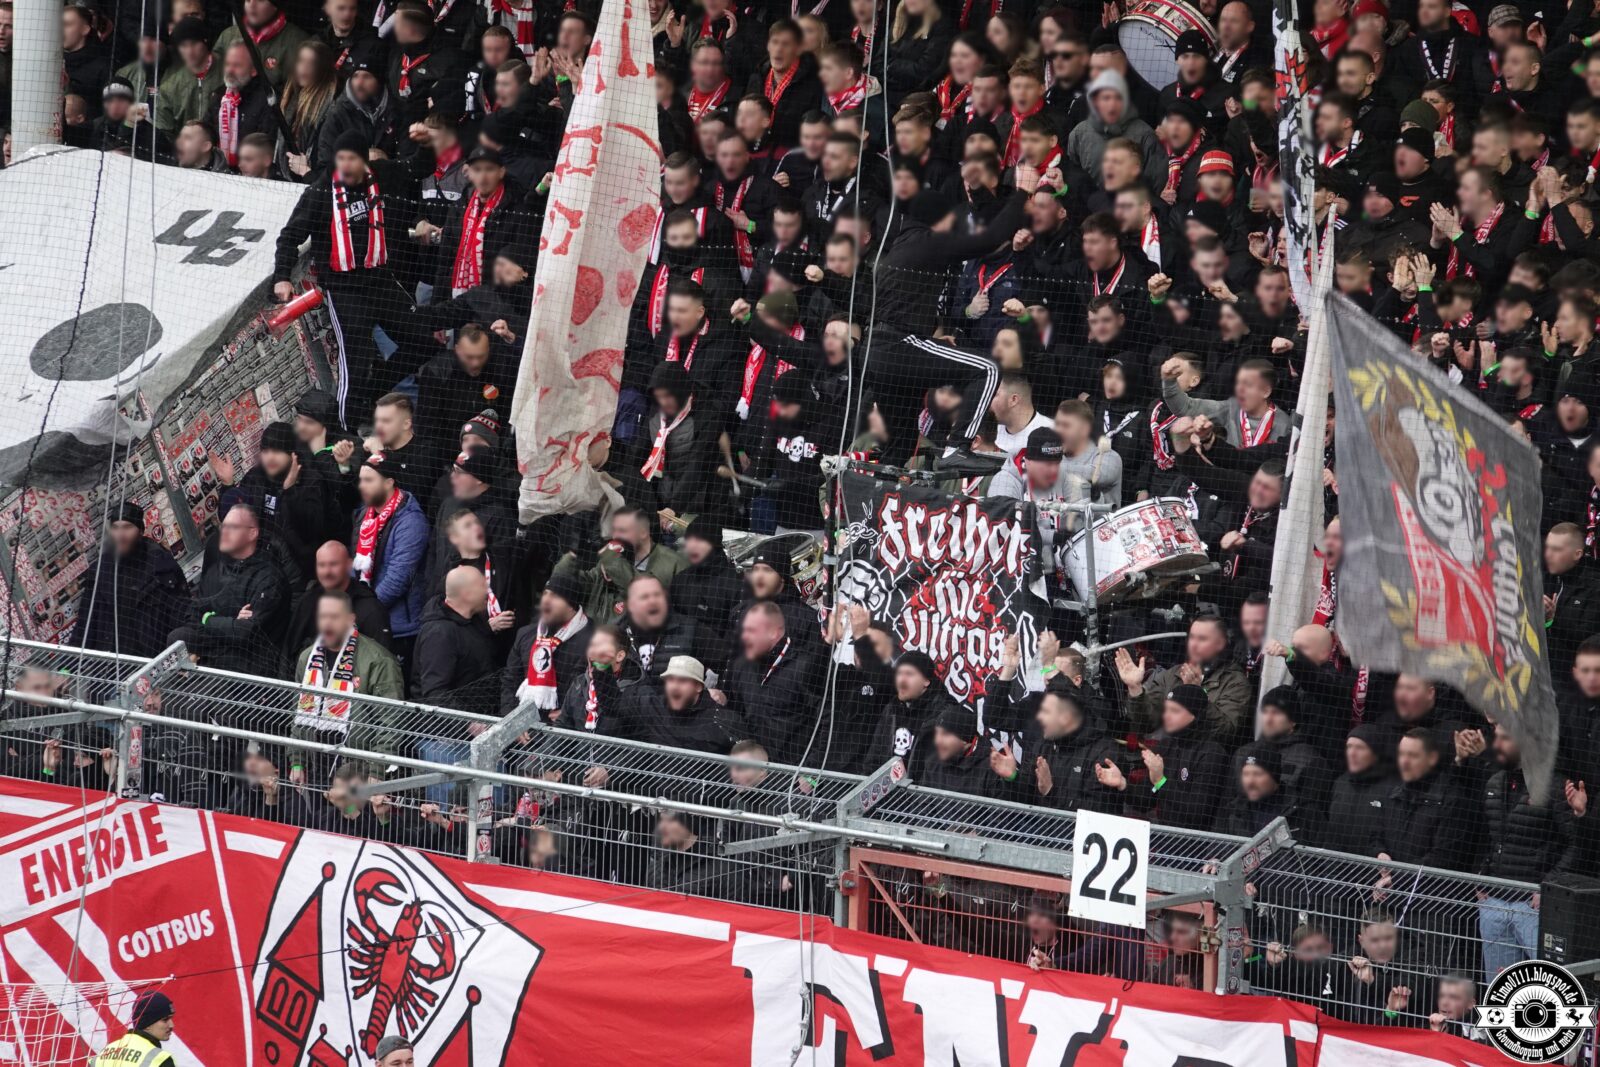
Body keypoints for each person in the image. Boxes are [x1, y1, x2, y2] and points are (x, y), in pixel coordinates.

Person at [289, 589, 405, 778]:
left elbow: (390, 722)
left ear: (351, 619)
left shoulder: (379, 660)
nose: (327, 623)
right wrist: (297, 762)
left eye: (334, 617)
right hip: (314, 765)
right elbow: (298, 713)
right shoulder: (307, 658)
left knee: (350, 810)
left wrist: (376, 772)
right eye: (322, 617)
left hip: (358, 770)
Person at [172, 504, 291, 676]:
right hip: (221, 658)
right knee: (178, 636)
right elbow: (192, 613)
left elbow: (245, 632)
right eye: (223, 526)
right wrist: (231, 619)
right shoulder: (217, 570)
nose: (224, 532)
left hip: (254, 669)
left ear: (252, 533)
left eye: (233, 527)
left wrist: (208, 619)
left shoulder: (269, 577)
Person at [71, 502, 190, 657]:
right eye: (115, 528)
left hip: (156, 660)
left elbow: (182, 612)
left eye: (127, 527)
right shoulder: (101, 571)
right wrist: (66, 668)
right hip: (113, 667)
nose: (120, 535)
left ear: (140, 530)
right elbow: (86, 624)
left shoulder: (160, 565)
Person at [350, 451, 429, 663]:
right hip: (369, 619)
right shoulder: (364, 515)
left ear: (389, 483)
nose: (362, 486)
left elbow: (398, 579)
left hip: (400, 628)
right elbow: (354, 561)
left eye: (369, 480)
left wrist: (363, 611)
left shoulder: (411, 522)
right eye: (361, 480)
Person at [283, 540, 393, 656]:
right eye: (322, 565)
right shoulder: (308, 602)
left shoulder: (370, 609)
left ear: (349, 565)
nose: (327, 571)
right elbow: (289, 652)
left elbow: (383, 662)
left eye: (333, 564)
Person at [94, 990, 176, 1067]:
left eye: (171, 1018)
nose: (171, 1025)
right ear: (147, 1023)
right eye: (165, 1020)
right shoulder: (160, 1060)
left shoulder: (103, 1054)